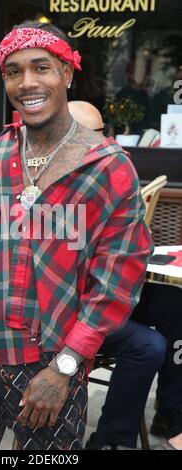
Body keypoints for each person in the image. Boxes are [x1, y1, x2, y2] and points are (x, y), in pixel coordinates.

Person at [0, 21, 153, 450]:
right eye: (13, 71)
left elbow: (116, 284)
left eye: (41, 67)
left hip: (51, 364)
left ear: (67, 73)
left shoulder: (108, 169)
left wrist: (64, 368)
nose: (27, 83)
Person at [70, 102, 182, 450]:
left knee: (175, 303)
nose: (102, 142)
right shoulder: (57, 186)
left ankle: (173, 413)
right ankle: (111, 440)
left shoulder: (113, 175)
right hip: (74, 306)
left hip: (109, 289)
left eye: (101, 133)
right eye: (89, 137)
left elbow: (133, 247)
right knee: (148, 346)